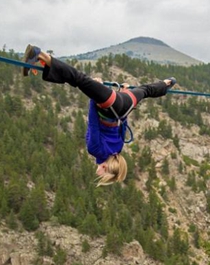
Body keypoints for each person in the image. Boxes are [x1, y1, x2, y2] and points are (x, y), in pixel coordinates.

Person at [22, 45, 176, 186]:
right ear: (105, 167)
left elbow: (122, 123)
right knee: (78, 79)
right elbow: (93, 123)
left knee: (146, 90)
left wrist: (122, 93)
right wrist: (95, 94)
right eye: (103, 175)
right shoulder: (95, 150)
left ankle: (167, 83)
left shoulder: (118, 149)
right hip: (109, 105)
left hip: (125, 104)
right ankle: (38, 54)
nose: (99, 174)